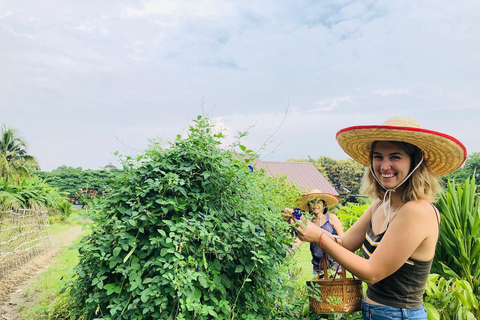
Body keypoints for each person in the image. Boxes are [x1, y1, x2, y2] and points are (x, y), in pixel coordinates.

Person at [287, 116, 467, 320]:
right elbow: (344, 243)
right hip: (374, 311)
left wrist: (318, 238)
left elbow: (372, 272)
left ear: (415, 162)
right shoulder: (381, 203)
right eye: (378, 156)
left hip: (400, 315)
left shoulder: (417, 211)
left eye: (395, 157)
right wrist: (304, 225)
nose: (384, 166)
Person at [286, 190, 344, 275]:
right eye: (312, 202)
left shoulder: (332, 218)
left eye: (319, 202)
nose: (315, 205)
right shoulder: (308, 223)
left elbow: (342, 239)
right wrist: (287, 253)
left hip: (334, 264)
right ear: (308, 206)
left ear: (324, 205)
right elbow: (298, 240)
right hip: (318, 266)